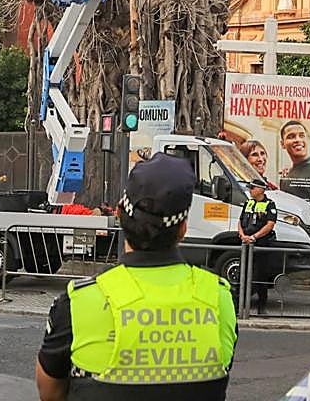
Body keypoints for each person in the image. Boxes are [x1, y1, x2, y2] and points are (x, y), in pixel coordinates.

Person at [36, 153, 238, 400]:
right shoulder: (219, 299)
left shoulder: (78, 302)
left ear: (119, 214)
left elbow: (50, 393)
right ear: (183, 228)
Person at [238, 178, 278, 316]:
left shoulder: (269, 205)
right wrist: (243, 235)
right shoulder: (248, 203)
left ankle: (262, 306)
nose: (250, 190)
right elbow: (240, 220)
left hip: (261, 245)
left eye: (253, 188)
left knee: (261, 275)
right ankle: (241, 305)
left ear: (261, 190)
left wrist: (254, 237)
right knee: (243, 274)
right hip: (246, 243)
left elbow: (270, 225)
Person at [278, 120, 310, 213]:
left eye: (301, 136)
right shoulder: (285, 179)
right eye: (291, 137)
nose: (298, 140)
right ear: (282, 144)